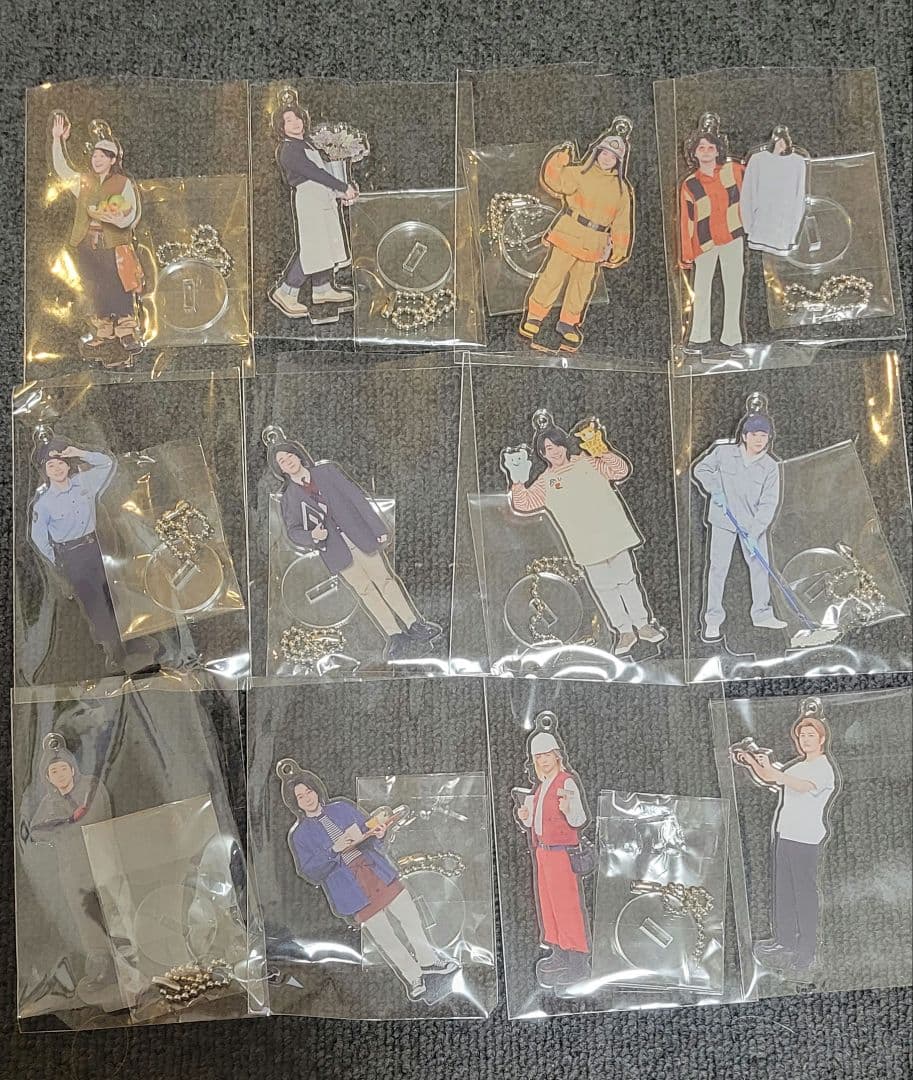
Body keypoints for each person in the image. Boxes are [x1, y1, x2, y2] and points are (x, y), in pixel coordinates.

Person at [280, 764, 458, 1001]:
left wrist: (379, 833)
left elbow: (369, 834)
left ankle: (429, 961)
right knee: (385, 936)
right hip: (350, 888)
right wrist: (333, 850)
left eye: (309, 791)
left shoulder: (342, 808)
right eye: (300, 797)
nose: (307, 798)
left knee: (411, 917)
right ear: (295, 804)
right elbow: (310, 871)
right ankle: (413, 977)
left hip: (377, 871)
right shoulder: (300, 835)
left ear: (316, 790)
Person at [502, 411, 665, 657]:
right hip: (586, 545)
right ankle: (624, 631)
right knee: (605, 589)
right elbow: (524, 503)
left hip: (614, 535)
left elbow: (619, 471)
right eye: (548, 448)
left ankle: (642, 625)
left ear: (565, 445)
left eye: (557, 445)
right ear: (542, 454)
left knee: (628, 580)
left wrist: (602, 450)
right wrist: (517, 480)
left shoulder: (588, 461)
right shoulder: (546, 481)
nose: (555, 452)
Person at [267, 434, 441, 661]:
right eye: (282, 461)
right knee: (365, 591)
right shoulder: (289, 497)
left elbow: (356, 498)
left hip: (359, 536)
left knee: (385, 580)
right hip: (333, 549)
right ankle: (394, 634)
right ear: (280, 469)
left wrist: (377, 528)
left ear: (298, 455)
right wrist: (313, 536)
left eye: (290, 455)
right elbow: (293, 531)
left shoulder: (326, 472)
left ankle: (413, 624)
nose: (288, 461)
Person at [29, 436, 159, 674]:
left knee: (113, 595)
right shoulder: (44, 503)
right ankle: (115, 652)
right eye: (51, 465)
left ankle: (132, 640)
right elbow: (39, 538)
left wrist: (79, 452)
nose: (57, 468)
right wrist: (58, 560)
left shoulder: (84, 482)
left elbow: (107, 464)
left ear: (68, 464)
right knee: (94, 604)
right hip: (72, 557)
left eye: (61, 462)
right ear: (45, 471)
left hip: (94, 548)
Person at [730, 698, 839, 974]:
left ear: (822, 738)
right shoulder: (798, 766)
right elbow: (770, 778)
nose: (805, 739)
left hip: (806, 839)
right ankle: (784, 941)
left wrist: (773, 771)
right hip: (786, 834)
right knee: (784, 891)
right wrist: (751, 762)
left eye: (810, 735)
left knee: (804, 894)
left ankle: (807, 952)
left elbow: (800, 786)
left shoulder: (823, 768)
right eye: (801, 735)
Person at [520, 121, 634, 354]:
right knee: (552, 276)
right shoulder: (580, 173)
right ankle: (534, 316)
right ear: (597, 152)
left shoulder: (622, 190)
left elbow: (622, 223)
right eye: (604, 153)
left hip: (595, 243)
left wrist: (619, 250)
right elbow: (555, 179)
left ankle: (568, 322)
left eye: (613, 156)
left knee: (581, 286)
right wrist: (561, 157)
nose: (607, 159)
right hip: (569, 234)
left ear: (619, 161)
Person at [26, 733, 117, 1002]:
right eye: (54, 771)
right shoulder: (49, 803)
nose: (60, 775)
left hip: (102, 859)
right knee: (84, 917)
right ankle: (102, 964)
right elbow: (36, 830)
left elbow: (98, 814)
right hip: (72, 869)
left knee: (113, 907)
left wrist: (67, 825)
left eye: (63, 768)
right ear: (47, 777)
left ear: (73, 769)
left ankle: (126, 959)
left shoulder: (90, 787)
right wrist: (62, 825)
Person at [691, 393, 787, 643]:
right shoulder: (723, 453)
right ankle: (712, 620)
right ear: (744, 436)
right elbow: (700, 469)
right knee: (717, 569)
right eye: (754, 434)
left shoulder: (770, 467)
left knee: (760, 567)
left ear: (769, 438)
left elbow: (769, 503)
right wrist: (715, 489)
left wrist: (754, 533)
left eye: (763, 435)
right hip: (723, 521)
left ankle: (762, 614)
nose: (759, 440)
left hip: (753, 526)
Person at [49, 113, 144, 363]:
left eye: (102, 156)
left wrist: (115, 218)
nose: (96, 160)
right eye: (94, 156)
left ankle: (126, 330)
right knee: (95, 285)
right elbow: (61, 169)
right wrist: (58, 140)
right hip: (87, 243)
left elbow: (131, 213)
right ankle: (104, 329)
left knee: (119, 284)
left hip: (113, 244)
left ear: (112, 160)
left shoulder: (123, 183)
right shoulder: (84, 182)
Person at [515, 727, 590, 989]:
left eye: (547, 755)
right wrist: (525, 818)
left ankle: (577, 961)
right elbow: (536, 822)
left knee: (566, 907)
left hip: (560, 854)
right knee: (549, 907)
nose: (543, 761)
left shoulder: (566, 782)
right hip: (543, 853)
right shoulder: (541, 787)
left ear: (557, 755)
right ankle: (559, 953)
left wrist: (568, 810)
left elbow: (579, 819)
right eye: (538, 757)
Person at [269, 101, 358, 321]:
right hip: (309, 200)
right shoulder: (289, 150)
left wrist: (338, 193)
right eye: (288, 120)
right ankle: (286, 291)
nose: (295, 123)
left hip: (321, 198)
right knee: (313, 248)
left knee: (325, 246)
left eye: (297, 118)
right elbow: (315, 173)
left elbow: (323, 174)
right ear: (281, 126)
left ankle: (322, 288)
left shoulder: (307, 145)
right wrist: (342, 186)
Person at [678, 113, 745, 358]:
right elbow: (686, 220)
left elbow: (758, 183)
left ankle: (733, 338)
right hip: (703, 242)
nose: (706, 152)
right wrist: (686, 254)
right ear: (694, 153)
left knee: (734, 287)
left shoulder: (734, 171)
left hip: (732, 236)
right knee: (701, 289)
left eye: (710, 147)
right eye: (701, 148)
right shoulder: (689, 184)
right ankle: (698, 337)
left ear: (718, 150)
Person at [740, 125, 808, 256]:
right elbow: (748, 194)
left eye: (784, 141)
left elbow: (799, 198)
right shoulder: (757, 159)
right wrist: (749, 225)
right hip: (761, 222)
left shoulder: (798, 162)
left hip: (784, 226)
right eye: (778, 141)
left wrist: (793, 232)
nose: (781, 145)